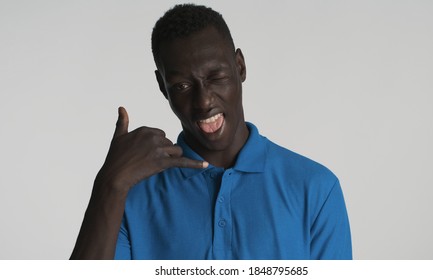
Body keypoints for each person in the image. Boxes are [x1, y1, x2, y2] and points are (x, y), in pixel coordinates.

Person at [70, 3, 352, 260]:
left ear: (240, 67)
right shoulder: (129, 194)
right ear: (162, 86)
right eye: (182, 86)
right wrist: (109, 184)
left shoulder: (315, 188)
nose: (203, 101)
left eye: (216, 77)